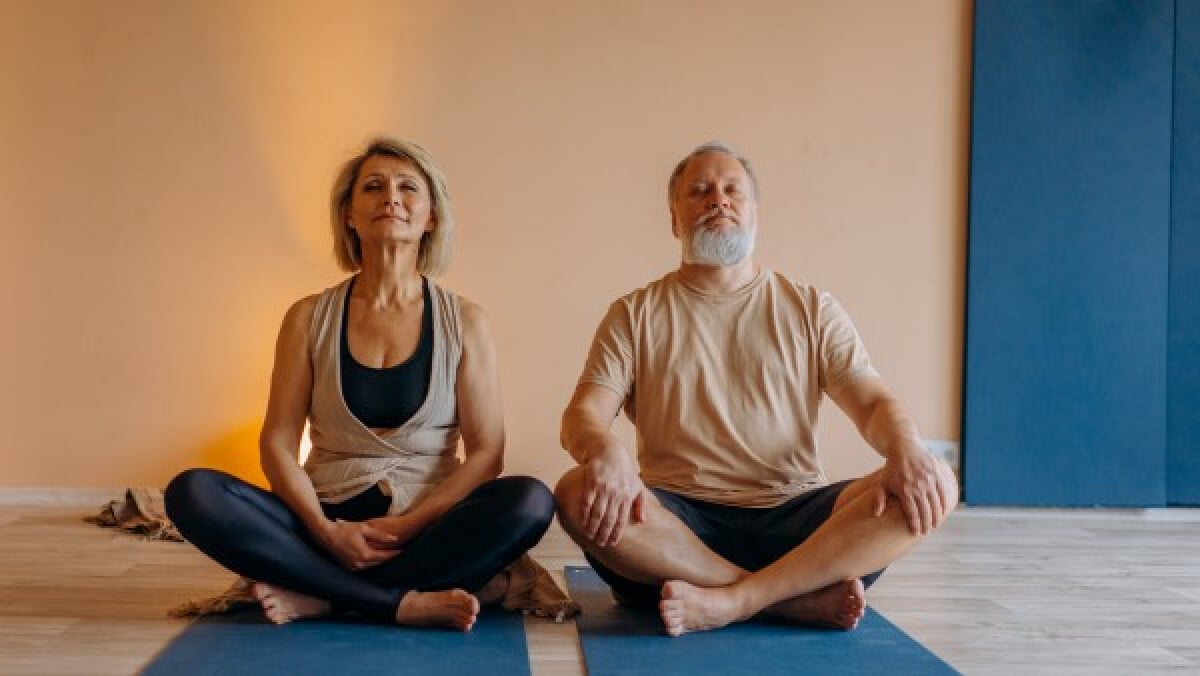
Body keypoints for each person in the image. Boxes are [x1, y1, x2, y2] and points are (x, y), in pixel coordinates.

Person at [555, 141, 958, 637]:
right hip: (678, 530)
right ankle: (784, 600)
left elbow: (872, 403)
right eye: (699, 191)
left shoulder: (812, 308)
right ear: (674, 219)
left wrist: (907, 448)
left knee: (936, 481)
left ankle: (738, 599)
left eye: (732, 191)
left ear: (754, 214)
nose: (717, 201)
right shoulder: (633, 314)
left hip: (796, 524)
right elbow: (583, 415)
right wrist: (604, 450)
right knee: (575, 491)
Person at [165, 137, 555, 630]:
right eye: (373, 187)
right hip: (324, 520)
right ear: (350, 214)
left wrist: (405, 526)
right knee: (192, 492)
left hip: (426, 527)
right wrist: (326, 532)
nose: (390, 197)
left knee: (531, 501)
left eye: (408, 188)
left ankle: (326, 597)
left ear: (431, 217)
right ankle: (397, 602)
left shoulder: (466, 321)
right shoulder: (307, 317)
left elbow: (487, 452)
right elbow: (278, 443)